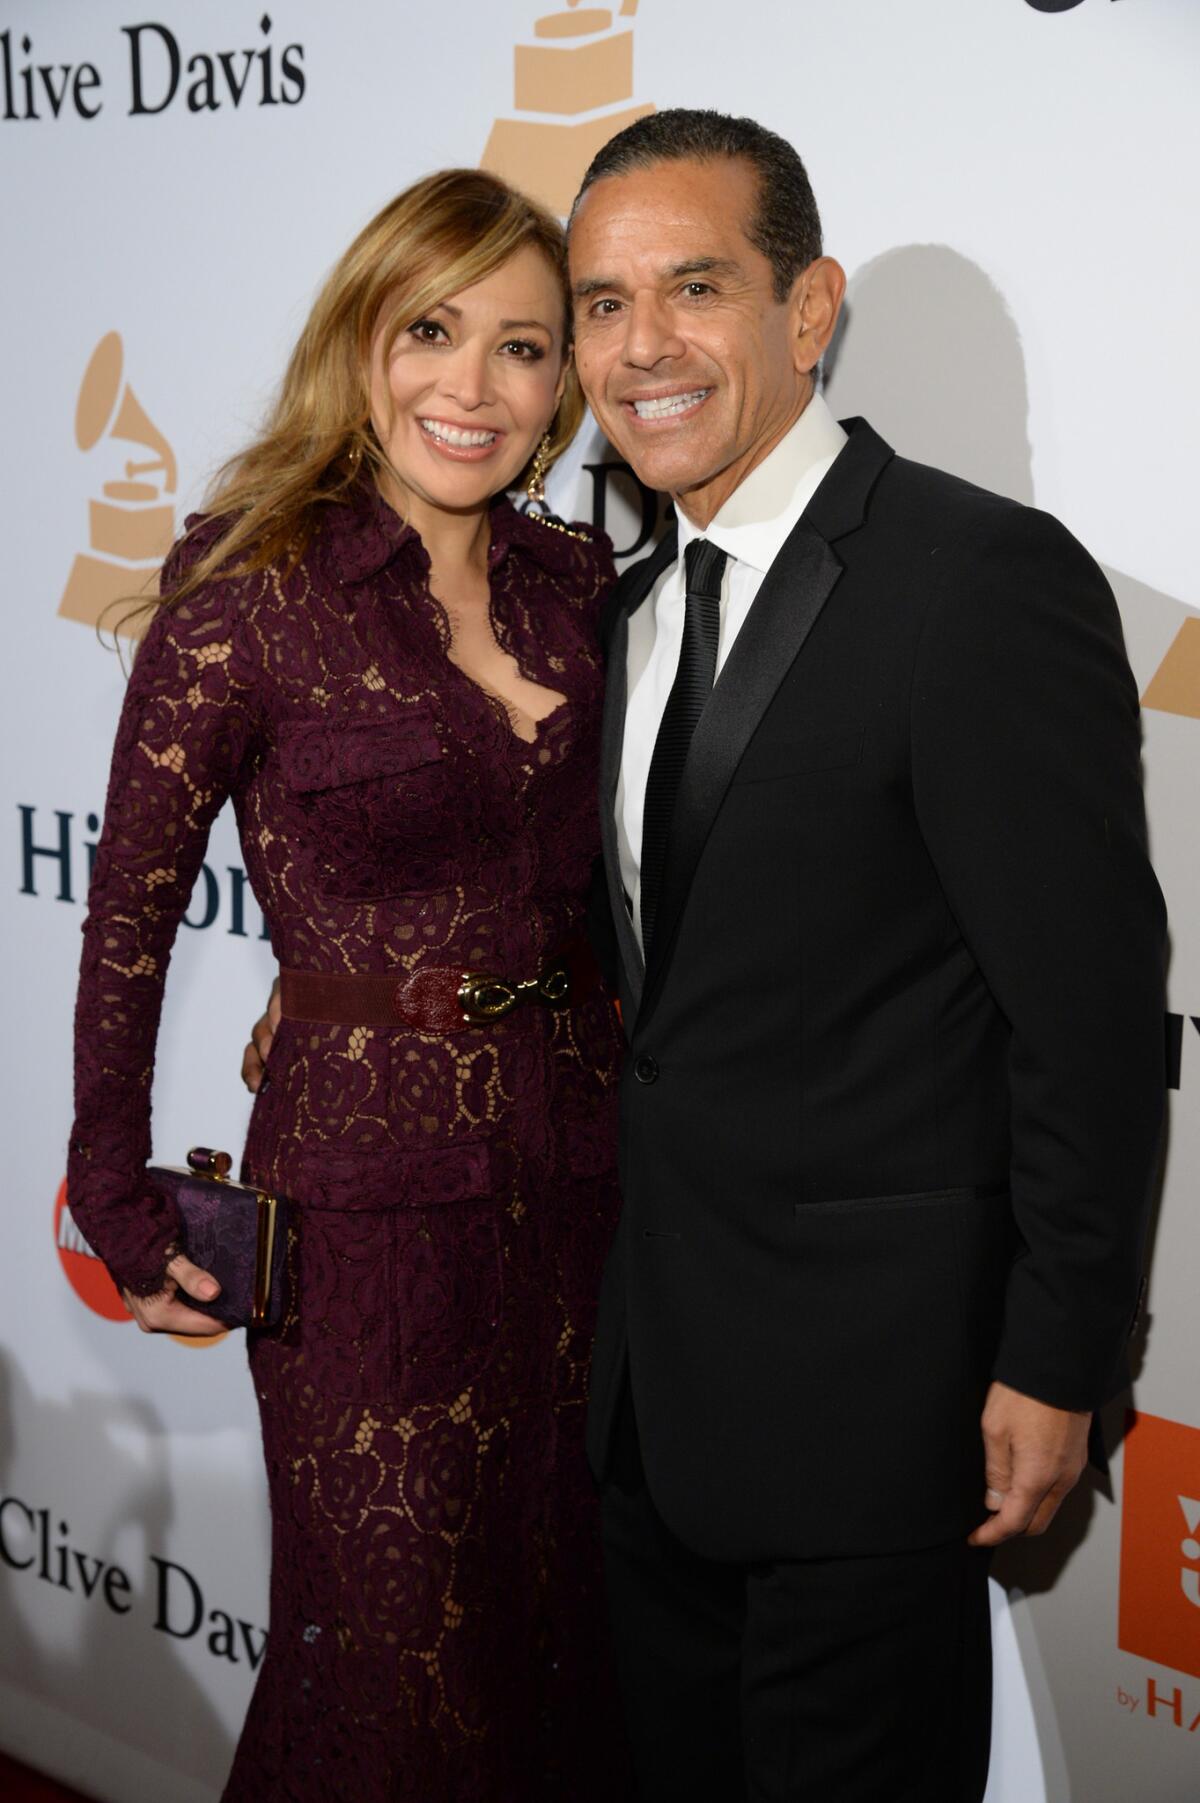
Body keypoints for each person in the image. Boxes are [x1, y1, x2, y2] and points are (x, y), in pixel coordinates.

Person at [564, 111, 1166, 1801]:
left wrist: (1058, 1356)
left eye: (694, 287)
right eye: (602, 305)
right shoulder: (623, 608)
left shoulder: (981, 582)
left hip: (878, 1410)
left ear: (808, 306)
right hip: (653, 1405)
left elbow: (1093, 1024)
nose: (639, 347)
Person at [66, 168, 630, 1803]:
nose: (475, 385)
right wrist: (117, 1198)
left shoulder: (577, 589)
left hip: (592, 1187)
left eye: (524, 348)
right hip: (369, 1215)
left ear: (562, 387)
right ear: (360, 341)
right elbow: (128, 922)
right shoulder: (247, 600)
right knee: (399, 1676)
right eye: (433, 331)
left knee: (569, 1648)